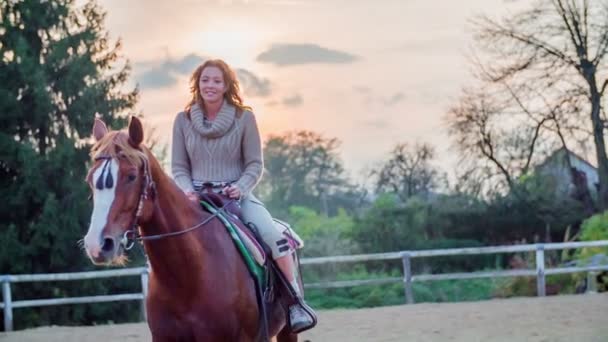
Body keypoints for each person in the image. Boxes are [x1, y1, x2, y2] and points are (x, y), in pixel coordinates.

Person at [171, 59, 315, 332]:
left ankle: (295, 303)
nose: (210, 85)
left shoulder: (244, 118)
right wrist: (187, 189)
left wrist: (241, 187)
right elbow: (179, 167)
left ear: (226, 86)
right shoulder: (182, 120)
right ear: (197, 84)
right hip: (195, 198)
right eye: (205, 80)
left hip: (236, 196)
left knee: (273, 236)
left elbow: (254, 165)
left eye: (216, 80)